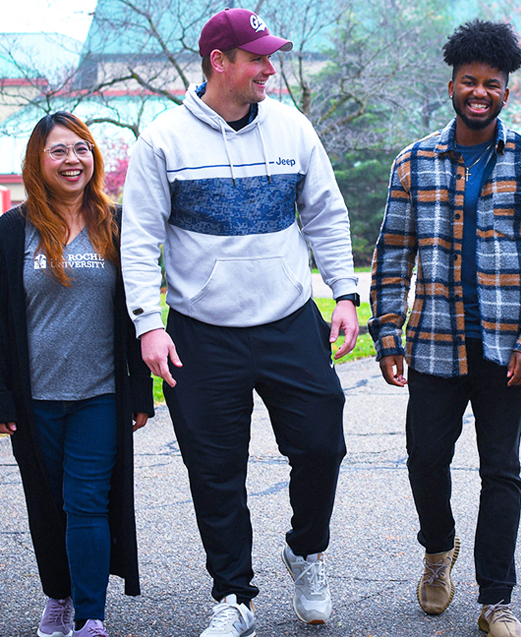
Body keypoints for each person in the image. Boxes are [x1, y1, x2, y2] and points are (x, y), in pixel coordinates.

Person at [119, 7, 359, 637]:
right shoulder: (163, 140)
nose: (268, 68)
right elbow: (139, 238)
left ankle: (305, 552)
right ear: (218, 63)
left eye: (269, 56)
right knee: (214, 467)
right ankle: (233, 595)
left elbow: (326, 215)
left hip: (288, 321)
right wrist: (149, 322)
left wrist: (344, 294)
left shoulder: (292, 128)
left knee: (320, 445)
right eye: (256, 58)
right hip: (202, 332)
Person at [368, 20, 521, 637]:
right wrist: (387, 334)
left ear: (506, 90)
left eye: (492, 84)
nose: (480, 92)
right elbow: (393, 252)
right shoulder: (418, 160)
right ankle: (438, 548)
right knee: (425, 459)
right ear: (452, 85)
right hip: (434, 343)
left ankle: (496, 601)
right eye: (469, 82)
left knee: (499, 470)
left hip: (507, 351)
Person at [0, 111, 154, 637]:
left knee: (86, 502)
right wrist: (0, 397)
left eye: (81, 148)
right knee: (47, 502)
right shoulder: (12, 233)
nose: (72, 160)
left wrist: (139, 391)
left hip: (100, 395)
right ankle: (57, 596)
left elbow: (137, 311)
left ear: (93, 157)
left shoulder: (117, 225)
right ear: (39, 160)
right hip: (37, 399)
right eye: (59, 151)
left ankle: (90, 616)